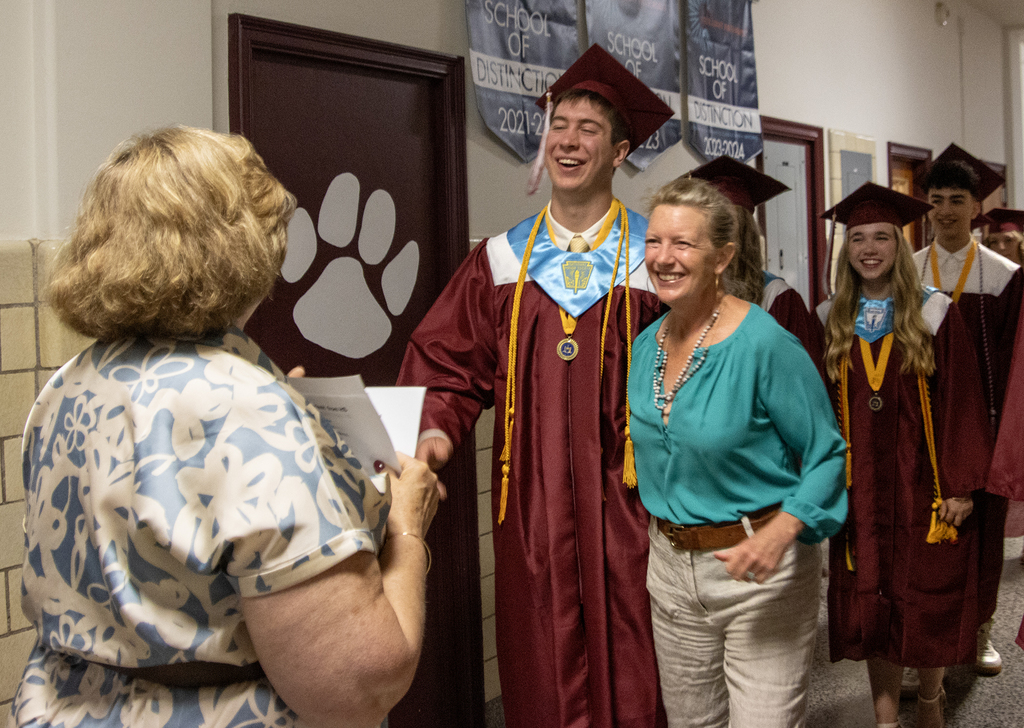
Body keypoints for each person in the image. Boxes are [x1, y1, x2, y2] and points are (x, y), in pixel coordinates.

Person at [10, 126, 440, 728]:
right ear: (245, 250)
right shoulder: (250, 412)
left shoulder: (67, 387)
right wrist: (406, 530)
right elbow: (359, 686)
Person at [397, 45, 672, 728]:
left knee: (643, 672)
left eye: (588, 129)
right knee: (542, 670)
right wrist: (431, 436)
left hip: (638, 505)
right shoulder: (499, 261)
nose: (568, 141)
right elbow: (445, 365)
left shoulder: (657, 259)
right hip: (534, 513)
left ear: (619, 151)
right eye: (560, 125)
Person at [628, 176, 847, 728]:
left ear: (723, 255)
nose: (663, 258)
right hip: (672, 571)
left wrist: (783, 529)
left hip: (759, 571)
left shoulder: (766, 344)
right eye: (654, 242)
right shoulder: (643, 346)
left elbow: (827, 453)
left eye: (683, 244)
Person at [818, 183, 992, 728]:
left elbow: (963, 400)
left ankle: (933, 700)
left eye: (882, 238)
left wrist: (961, 485)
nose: (870, 249)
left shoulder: (936, 313)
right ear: (846, 249)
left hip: (925, 486)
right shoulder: (829, 318)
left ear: (900, 244)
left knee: (925, 598)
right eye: (859, 238)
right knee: (872, 603)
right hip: (861, 491)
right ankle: (886, 717)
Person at [914, 144, 1023, 677]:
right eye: (937, 200)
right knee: (921, 538)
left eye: (958, 199)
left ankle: (980, 631)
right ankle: (921, 642)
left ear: (976, 206)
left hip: (986, 423)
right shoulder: (908, 272)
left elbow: (1010, 361)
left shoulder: (1002, 276)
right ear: (926, 205)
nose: (946, 210)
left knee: (981, 539)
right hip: (919, 427)